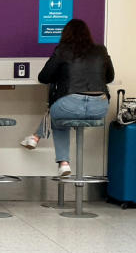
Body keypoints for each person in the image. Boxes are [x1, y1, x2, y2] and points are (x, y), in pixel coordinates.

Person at [37, 19, 114, 177]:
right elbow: (110, 77)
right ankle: (35, 137)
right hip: (99, 107)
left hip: (70, 105)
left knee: (56, 117)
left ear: (65, 34)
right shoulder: (101, 50)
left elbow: (44, 77)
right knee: (59, 114)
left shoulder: (62, 50)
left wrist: (62, 75)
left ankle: (63, 162)